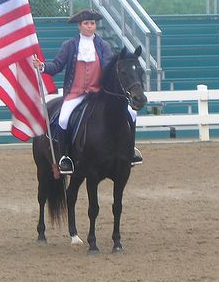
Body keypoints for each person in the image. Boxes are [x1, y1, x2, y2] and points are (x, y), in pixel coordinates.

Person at [33, 9, 143, 174]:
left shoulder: (103, 46)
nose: (90, 26)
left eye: (92, 23)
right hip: (75, 93)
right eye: (86, 23)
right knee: (63, 119)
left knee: (131, 113)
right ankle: (65, 157)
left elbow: (108, 68)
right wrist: (42, 66)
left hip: (97, 92)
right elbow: (57, 65)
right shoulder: (69, 45)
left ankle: (130, 150)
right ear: (80, 26)